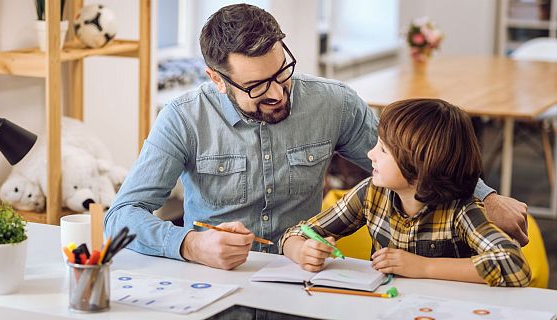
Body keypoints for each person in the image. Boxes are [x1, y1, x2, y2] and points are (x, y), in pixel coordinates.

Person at [105, 4, 528, 270]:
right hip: (216, 281)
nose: (275, 93)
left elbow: (413, 161)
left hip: (302, 280)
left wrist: (487, 197)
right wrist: (192, 245)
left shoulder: (334, 103)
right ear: (217, 79)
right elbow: (121, 215)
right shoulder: (182, 118)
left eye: (281, 73)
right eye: (255, 87)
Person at [281, 98, 531, 286]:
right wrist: (301, 250)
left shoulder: (461, 209)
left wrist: (424, 267)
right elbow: (296, 233)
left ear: (419, 168)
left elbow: (515, 265)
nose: (370, 154)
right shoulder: (370, 194)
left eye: (383, 150)